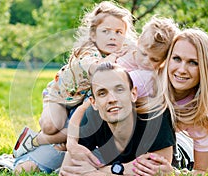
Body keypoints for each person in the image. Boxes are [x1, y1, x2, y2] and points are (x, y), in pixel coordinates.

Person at [12, 1, 138, 158]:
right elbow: (97, 69)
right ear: (93, 34)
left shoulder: (121, 51)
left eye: (119, 32)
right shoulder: (87, 52)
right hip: (60, 95)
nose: (113, 37)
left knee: (85, 125)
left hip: (81, 98)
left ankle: (56, 142)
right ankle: (33, 139)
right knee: (51, 126)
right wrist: (114, 57)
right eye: (106, 31)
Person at [132, 28, 208, 176]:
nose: (181, 69)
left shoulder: (201, 115)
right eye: (176, 58)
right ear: (167, 59)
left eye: (193, 62)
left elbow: (202, 171)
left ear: (204, 69)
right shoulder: (144, 81)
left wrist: (173, 173)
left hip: (183, 145)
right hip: (168, 138)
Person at [59, 62, 176, 176]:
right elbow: (67, 171)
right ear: (94, 103)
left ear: (133, 94)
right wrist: (124, 170)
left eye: (119, 90)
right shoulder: (91, 117)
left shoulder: (156, 116)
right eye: (102, 93)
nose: (112, 99)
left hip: (184, 147)